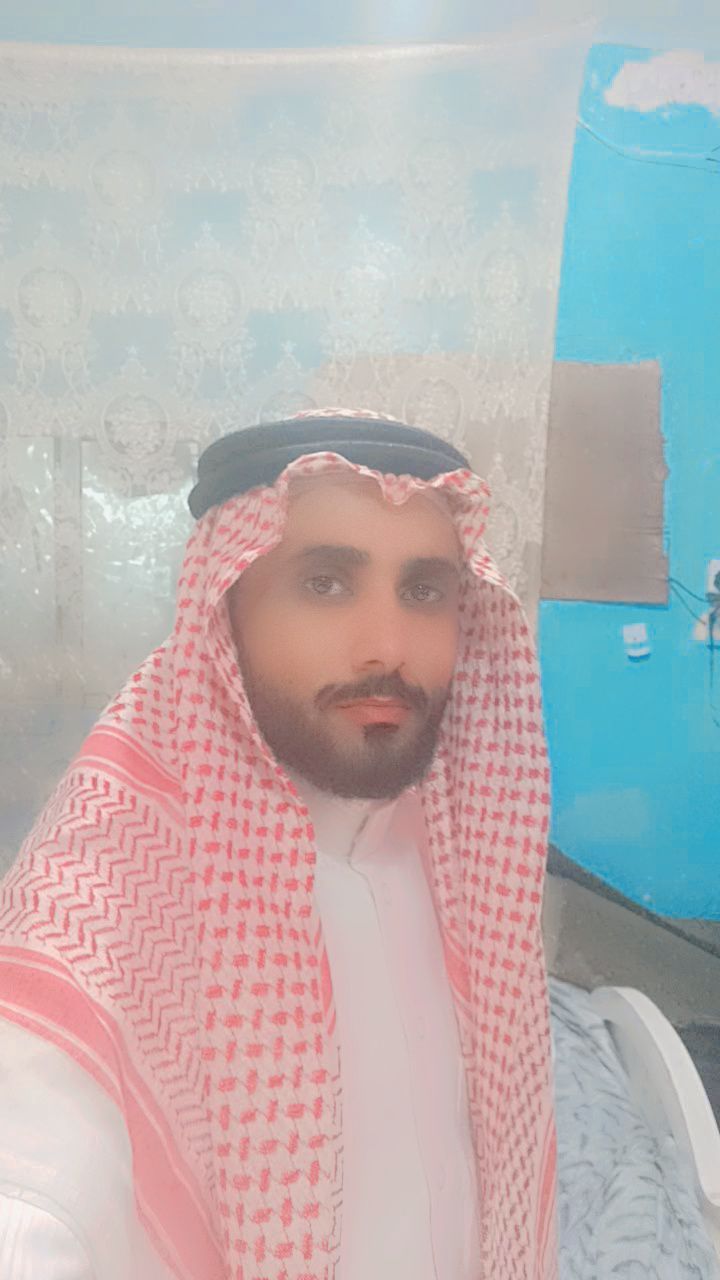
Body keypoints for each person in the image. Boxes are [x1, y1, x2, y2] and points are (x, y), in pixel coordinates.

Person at [0, 410, 557, 1280]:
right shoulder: (102, 899)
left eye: (423, 590)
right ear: (226, 607)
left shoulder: (450, 836)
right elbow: (34, 1191)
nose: (388, 649)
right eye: (326, 583)